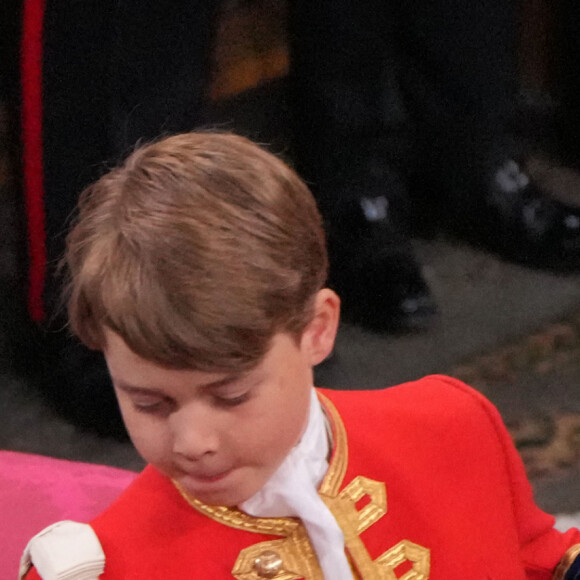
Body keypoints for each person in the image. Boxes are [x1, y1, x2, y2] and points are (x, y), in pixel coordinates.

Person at [20, 132, 580, 579]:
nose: (192, 443)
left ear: (318, 328)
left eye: (230, 395)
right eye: (149, 403)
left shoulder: (452, 426)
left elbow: (539, 558)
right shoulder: (108, 568)